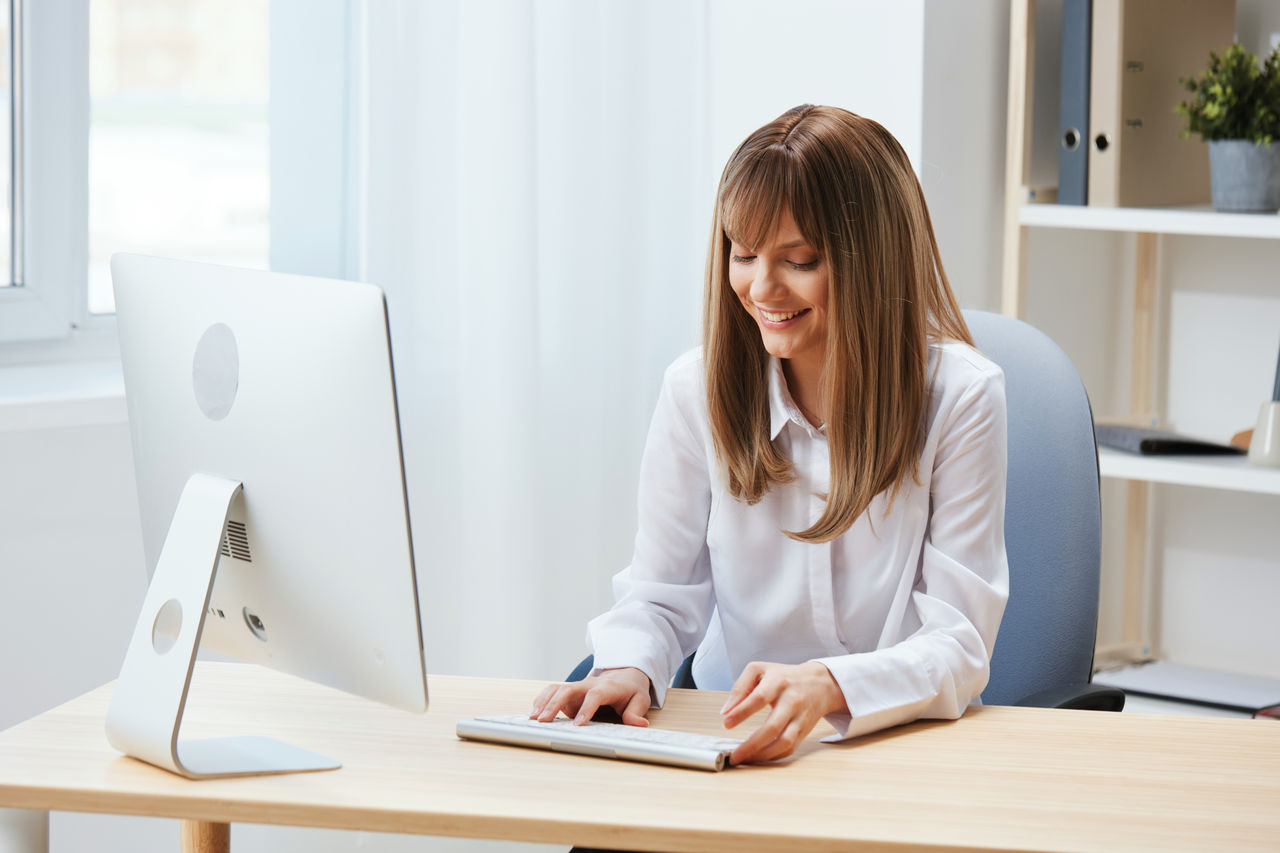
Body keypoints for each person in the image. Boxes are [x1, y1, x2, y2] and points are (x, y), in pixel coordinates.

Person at [531, 104, 1009, 770]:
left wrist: (830, 683)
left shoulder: (961, 398)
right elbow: (658, 596)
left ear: (870, 261)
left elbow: (957, 644)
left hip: (892, 750)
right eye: (744, 253)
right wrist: (631, 667)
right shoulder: (694, 389)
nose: (761, 287)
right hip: (731, 739)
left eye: (800, 259)